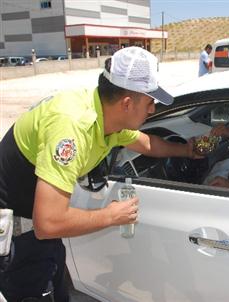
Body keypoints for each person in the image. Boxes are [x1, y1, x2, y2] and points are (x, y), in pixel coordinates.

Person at [0, 46, 199, 301]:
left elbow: (147, 143)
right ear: (127, 103)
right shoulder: (72, 127)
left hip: (40, 232)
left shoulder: (108, 117)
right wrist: (110, 215)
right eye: (150, 102)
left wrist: (186, 151)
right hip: (21, 240)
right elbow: (47, 223)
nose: (152, 110)